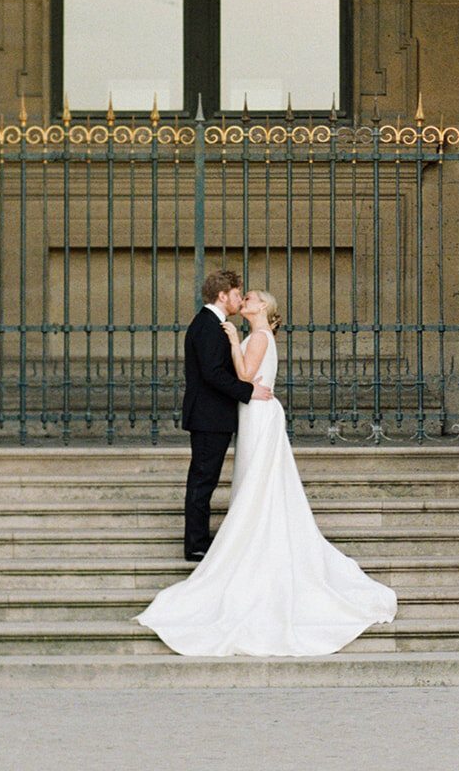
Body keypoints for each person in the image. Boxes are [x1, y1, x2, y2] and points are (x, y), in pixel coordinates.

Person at [137, 287, 398, 656]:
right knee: (254, 481)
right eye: (242, 296)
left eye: (252, 298)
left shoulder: (257, 336)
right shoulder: (254, 335)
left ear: (263, 308)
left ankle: (250, 537)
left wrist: (230, 341)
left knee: (257, 481)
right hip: (254, 411)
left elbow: (244, 373)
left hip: (258, 414)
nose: (245, 301)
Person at [178, 268, 273, 563]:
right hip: (208, 416)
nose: (239, 300)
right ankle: (195, 544)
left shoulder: (212, 324)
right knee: (203, 480)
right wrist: (247, 391)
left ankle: (199, 540)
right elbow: (213, 374)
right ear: (222, 295)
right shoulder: (207, 325)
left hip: (212, 415)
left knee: (205, 479)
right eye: (235, 294)